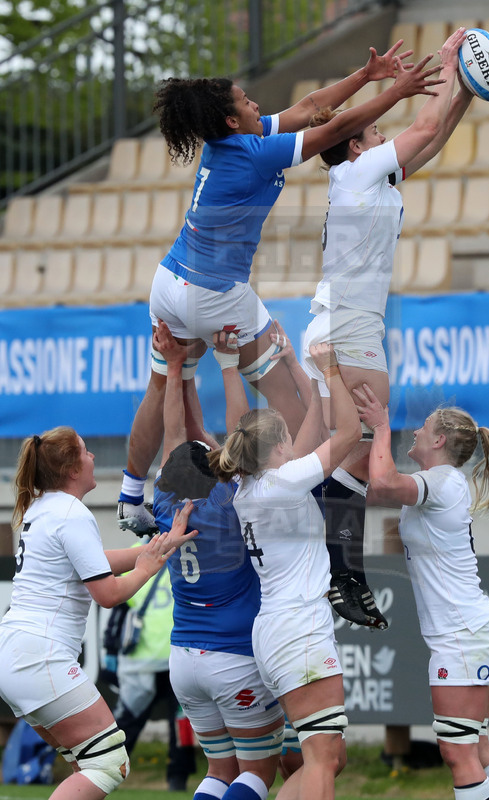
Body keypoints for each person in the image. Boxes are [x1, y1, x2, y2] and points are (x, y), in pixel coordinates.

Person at [117, 43, 446, 535]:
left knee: (162, 384)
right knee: (292, 396)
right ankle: (300, 495)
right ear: (232, 121)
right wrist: (395, 90)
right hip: (218, 294)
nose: (256, 106)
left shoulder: (231, 141)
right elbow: (331, 128)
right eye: (246, 101)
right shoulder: (256, 150)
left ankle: (130, 495)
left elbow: (310, 107)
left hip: (169, 279)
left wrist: (366, 73)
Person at [301, 27, 472, 628]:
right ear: (354, 147)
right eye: (373, 131)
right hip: (347, 323)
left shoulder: (364, 176)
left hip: (343, 321)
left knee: (337, 457)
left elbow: (430, 140)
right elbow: (420, 131)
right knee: (354, 452)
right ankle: (339, 575)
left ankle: (333, 572)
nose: (381, 134)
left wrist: (465, 94)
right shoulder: (355, 174)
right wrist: (449, 66)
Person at [0, 426, 195, 800]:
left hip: (17, 655)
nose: (92, 458)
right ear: (73, 469)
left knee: (85, 763)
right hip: (40, 659)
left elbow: (93, 562)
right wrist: (147, 568)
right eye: (87, 452)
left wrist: (155, 548)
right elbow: (107, 593)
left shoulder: (43, 506)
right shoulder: (72, 513)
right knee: (108, 764)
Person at [152, 320, 301, 800]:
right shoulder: (232, 500)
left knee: (218, 772)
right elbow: (240, 433)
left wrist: (175, 366)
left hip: (184, 659)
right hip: (233, 655)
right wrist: (229, 364)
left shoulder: (165, 501)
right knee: (257, 773)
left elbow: (173, 429)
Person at [209, 342, 362, 800]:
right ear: (277, 447)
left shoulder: (249, 486)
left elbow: (301, 446)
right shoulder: (282, 483)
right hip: (300, 628)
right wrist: (331, 369)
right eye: (286, 441)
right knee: (321, 758)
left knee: (329, 758)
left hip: (274, 632)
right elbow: (349, 433)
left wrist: (313, 387)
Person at [355, 383, 489, 800]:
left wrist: (379, 426)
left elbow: (384, 481)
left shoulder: (442, 481)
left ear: (440, 440)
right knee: (475, 748)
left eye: (423, 427)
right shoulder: (439, 481)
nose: (414, 432)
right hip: (468, 629)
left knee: (457, 750)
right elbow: (373, 489)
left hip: (462, 634)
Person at [108, 561, 197, 793]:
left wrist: (110, 649)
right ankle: (177, 779)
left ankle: (106, 772)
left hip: (144, 660)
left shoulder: (137, 554)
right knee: (179, 724)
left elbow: (118, 608)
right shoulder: (190, 556)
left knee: (129, 721)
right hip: (178, 654)